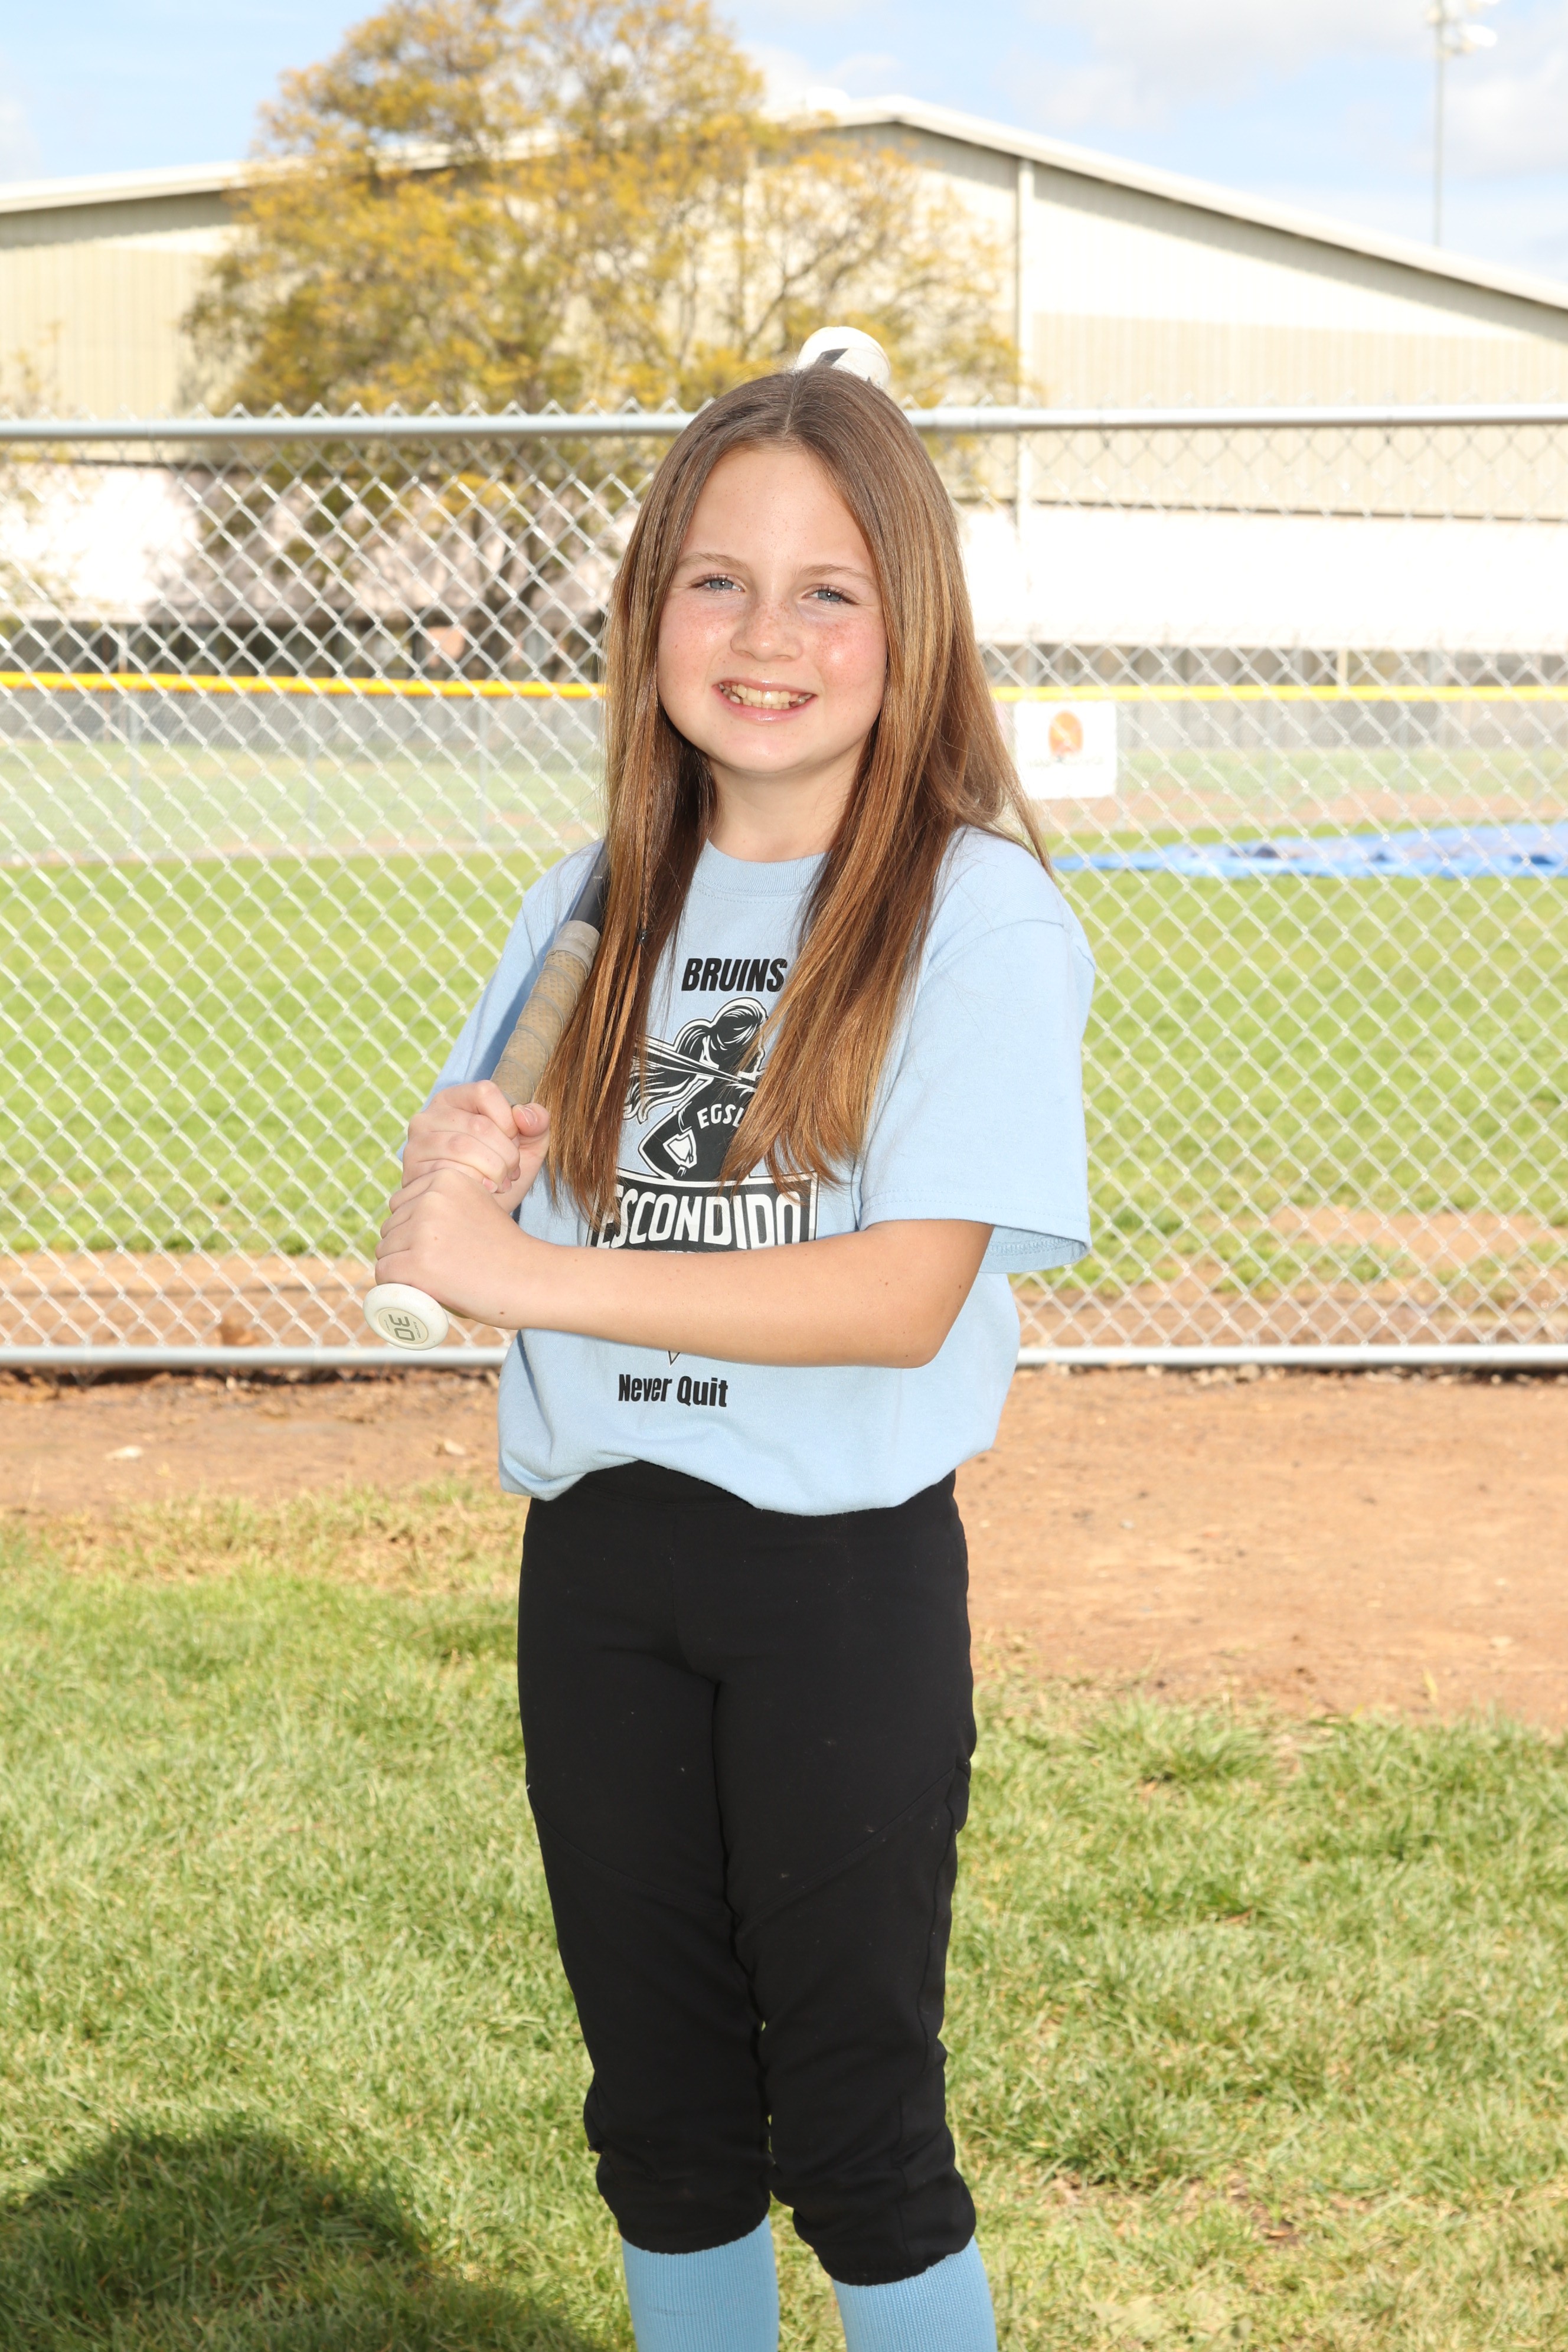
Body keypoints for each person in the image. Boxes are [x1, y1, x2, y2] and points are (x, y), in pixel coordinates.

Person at [375, 358, 1093, 2352]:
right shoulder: (590, 899)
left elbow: (898, 1295)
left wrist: (535, 1281)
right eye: (717, 580)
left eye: (827, 591)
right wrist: (460, 1179)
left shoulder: (975, 914)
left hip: (834, 1580)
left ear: (911, 628)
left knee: (860, 2134)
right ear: (647, 615)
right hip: (605, 1563)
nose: (766, 636)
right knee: (665, 2124)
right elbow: (491, 1199)